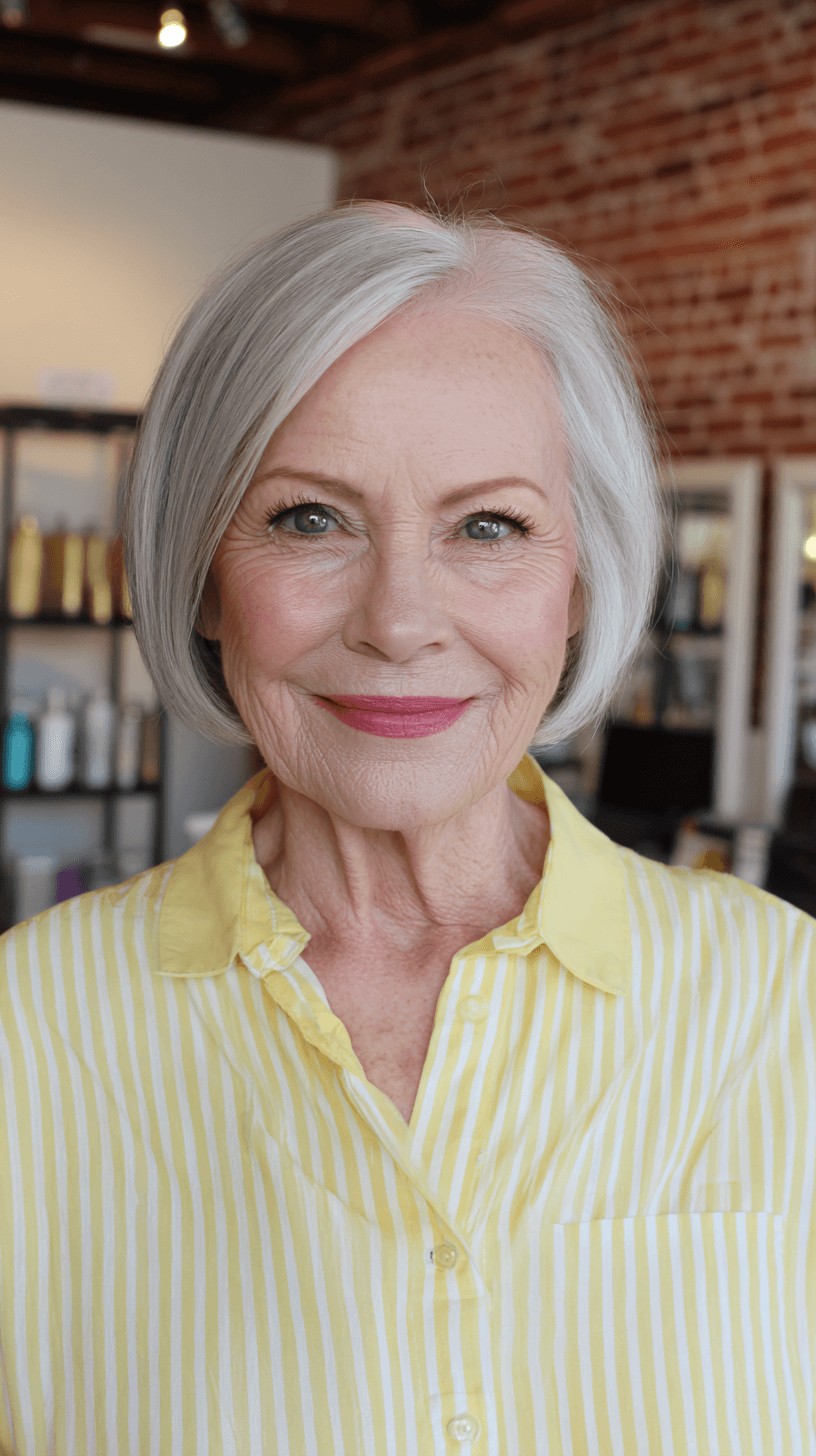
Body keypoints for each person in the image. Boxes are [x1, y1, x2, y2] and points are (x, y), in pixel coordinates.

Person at [1, 200, 814, 1456]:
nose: (399, 619)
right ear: (205, 574)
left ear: (579, 580)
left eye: (487, 525)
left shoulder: (788, 1006)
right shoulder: (24, 1039)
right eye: (308, 518)